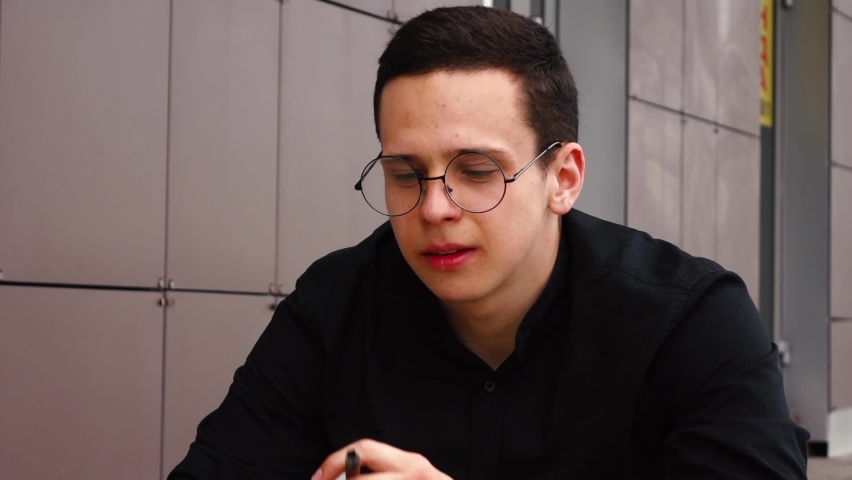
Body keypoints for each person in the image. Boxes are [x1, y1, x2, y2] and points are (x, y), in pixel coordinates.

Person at [169, 6, 809, 479]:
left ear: (564, 179)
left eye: (477, 172)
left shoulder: (691, 320)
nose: (435, 208)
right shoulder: (332, 309)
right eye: (405, 175)